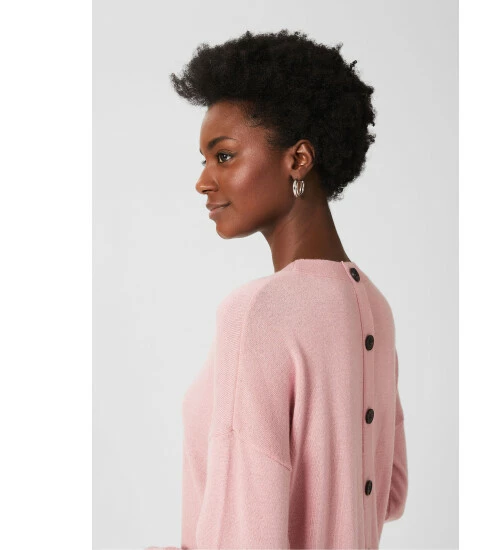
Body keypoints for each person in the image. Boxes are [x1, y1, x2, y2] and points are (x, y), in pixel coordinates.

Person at [147, 29, 408, 550]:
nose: (203, 181)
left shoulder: (258, 312)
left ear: (298, 159)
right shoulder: (374, 308)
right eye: (204, 160)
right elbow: (389, 492)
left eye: (224, 156)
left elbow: (245, 535)